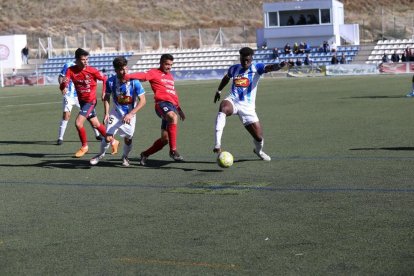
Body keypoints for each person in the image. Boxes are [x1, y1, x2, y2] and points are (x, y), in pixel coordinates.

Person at [213, 47, 288, 161]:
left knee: (258, 138)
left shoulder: (257, 67)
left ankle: (258, 151)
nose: (245, 62)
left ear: (251, 59)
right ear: (240, 58)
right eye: (243, 60)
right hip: (233, 101)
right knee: (223, 107)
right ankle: (217, 144)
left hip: (247, 108)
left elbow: (270, 68)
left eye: (247, 60)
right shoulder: (234, 68)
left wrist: (279, 65)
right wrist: (219, 90)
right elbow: (226, 78)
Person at [124, 53, 185, 165]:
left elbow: (173, 93)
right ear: (161, 63)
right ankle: (173, 151)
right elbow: (143, 75)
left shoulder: (170, 77)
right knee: (173, 117)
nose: (169, 67)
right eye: (167, 64)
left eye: (171, 65)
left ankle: (145, 154)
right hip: (161, 104)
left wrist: (179, 108)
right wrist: (127, 76)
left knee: (165, 139)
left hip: (171, 106)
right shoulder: (154, 73)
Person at [90, 56, 146, 167]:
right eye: (121, 69)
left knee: (128, 139)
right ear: (116, 70)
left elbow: (143, 101)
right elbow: (106, 97)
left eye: (125, 68)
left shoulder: (134, 82)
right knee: (108, 137)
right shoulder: (111, 82)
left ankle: (125, 156)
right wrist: (106, 113)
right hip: (115, 113)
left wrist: (131, 114)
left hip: (130, 115)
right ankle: (100, 155)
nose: (124, 71)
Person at [60, 48, 113, 158]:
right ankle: (114, 141)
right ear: (77, 60)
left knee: (78, 123)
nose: (86, 62)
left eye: (87, 59)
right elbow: (64, 83)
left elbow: (105, 79)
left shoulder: (92, 70)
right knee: (96, 124)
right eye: (83, 59)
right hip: (82, 102)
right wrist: (63, 86)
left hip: (90, 101)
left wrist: (104, 92)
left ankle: (85, 146)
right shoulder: (70, 70)